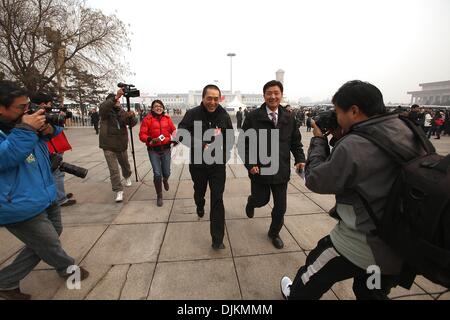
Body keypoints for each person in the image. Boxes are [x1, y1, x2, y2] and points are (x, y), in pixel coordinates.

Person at [280, 80, 426, 300]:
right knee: (369, 290)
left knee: (313, 273)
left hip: (359, 243)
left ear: (355, 111)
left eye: (338, 112)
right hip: (399, 244)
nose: (337, 117)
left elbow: (315, 178)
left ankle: (295, 294)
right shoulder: (407, 129)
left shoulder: (355, 144)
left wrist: (319, 140)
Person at [0, 81, 88, 300]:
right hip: (17, 203)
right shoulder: (21, 128)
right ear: (1, 108)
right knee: (48, 242)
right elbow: (6, 157)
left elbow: (53, 130)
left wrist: (49, 128)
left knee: (50, 237)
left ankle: (7, 281)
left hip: (44, 193)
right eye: (21, 107)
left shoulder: (21, 122)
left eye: (28, 105)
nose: (27, 111)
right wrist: (26, 129)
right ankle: (67, 268)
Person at [240, 80, 306, 249]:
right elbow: (243, 144)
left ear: (281, 95)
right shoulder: (253, 117)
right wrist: (250, 164)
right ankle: (251, 202)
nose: (273, 96)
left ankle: (274, 233)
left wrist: (300, 159)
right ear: (264, 96)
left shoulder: (289, 118)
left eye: (276, 93)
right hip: (259, 170)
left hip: (281, 171)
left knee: (280, 208)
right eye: (269, 93)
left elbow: (296, 143)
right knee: (261, 200)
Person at [178, 84, 234, 250]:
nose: (212, 102)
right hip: (198, 165)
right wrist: (199, 144)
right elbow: (181, 133)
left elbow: (229, 138)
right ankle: (200, 204)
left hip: (217, 165)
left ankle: (217, 239)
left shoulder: (224, 115)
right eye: (209, 98)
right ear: (203, 98)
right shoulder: (192, 114)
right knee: (199, 191)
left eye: (216, 98)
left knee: (217, 198)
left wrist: (226, 155)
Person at [30, 92, 77, 208]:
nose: (51, 107)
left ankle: (58, 195)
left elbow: (55, 129)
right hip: (51, 149)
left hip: (53, 147)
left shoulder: (41, 116)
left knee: (55, 173)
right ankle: (60, 199)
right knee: (57, 173)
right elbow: (56, 130)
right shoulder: (37, 119)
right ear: (43, 104)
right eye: (50, 104)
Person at [99, 89, 137, 202]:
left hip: (121, 144)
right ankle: (118, 190)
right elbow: (103, 107)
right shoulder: (104, 113)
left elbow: (132, 123)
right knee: (113, 170)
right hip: (108, 145)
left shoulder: (121, 111)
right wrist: (115, 97)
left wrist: (132, 117)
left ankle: (127, 175)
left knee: (125, 164)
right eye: (115, 101)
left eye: (118, 101)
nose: (117, 102)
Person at [139, 100, 176, 207]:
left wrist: (176, 138)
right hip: (153, 150)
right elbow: (142, 135)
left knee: (167, 172)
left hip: (166, 149)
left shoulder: (167, 119)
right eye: (156, 106)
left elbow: (173, 131)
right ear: (152, 108)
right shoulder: (147, 119)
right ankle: (159, 195)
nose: (158, 108)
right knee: (157, 173)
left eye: (160, 106)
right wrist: (150, 139)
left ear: (163, 108)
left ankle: (165, 180)